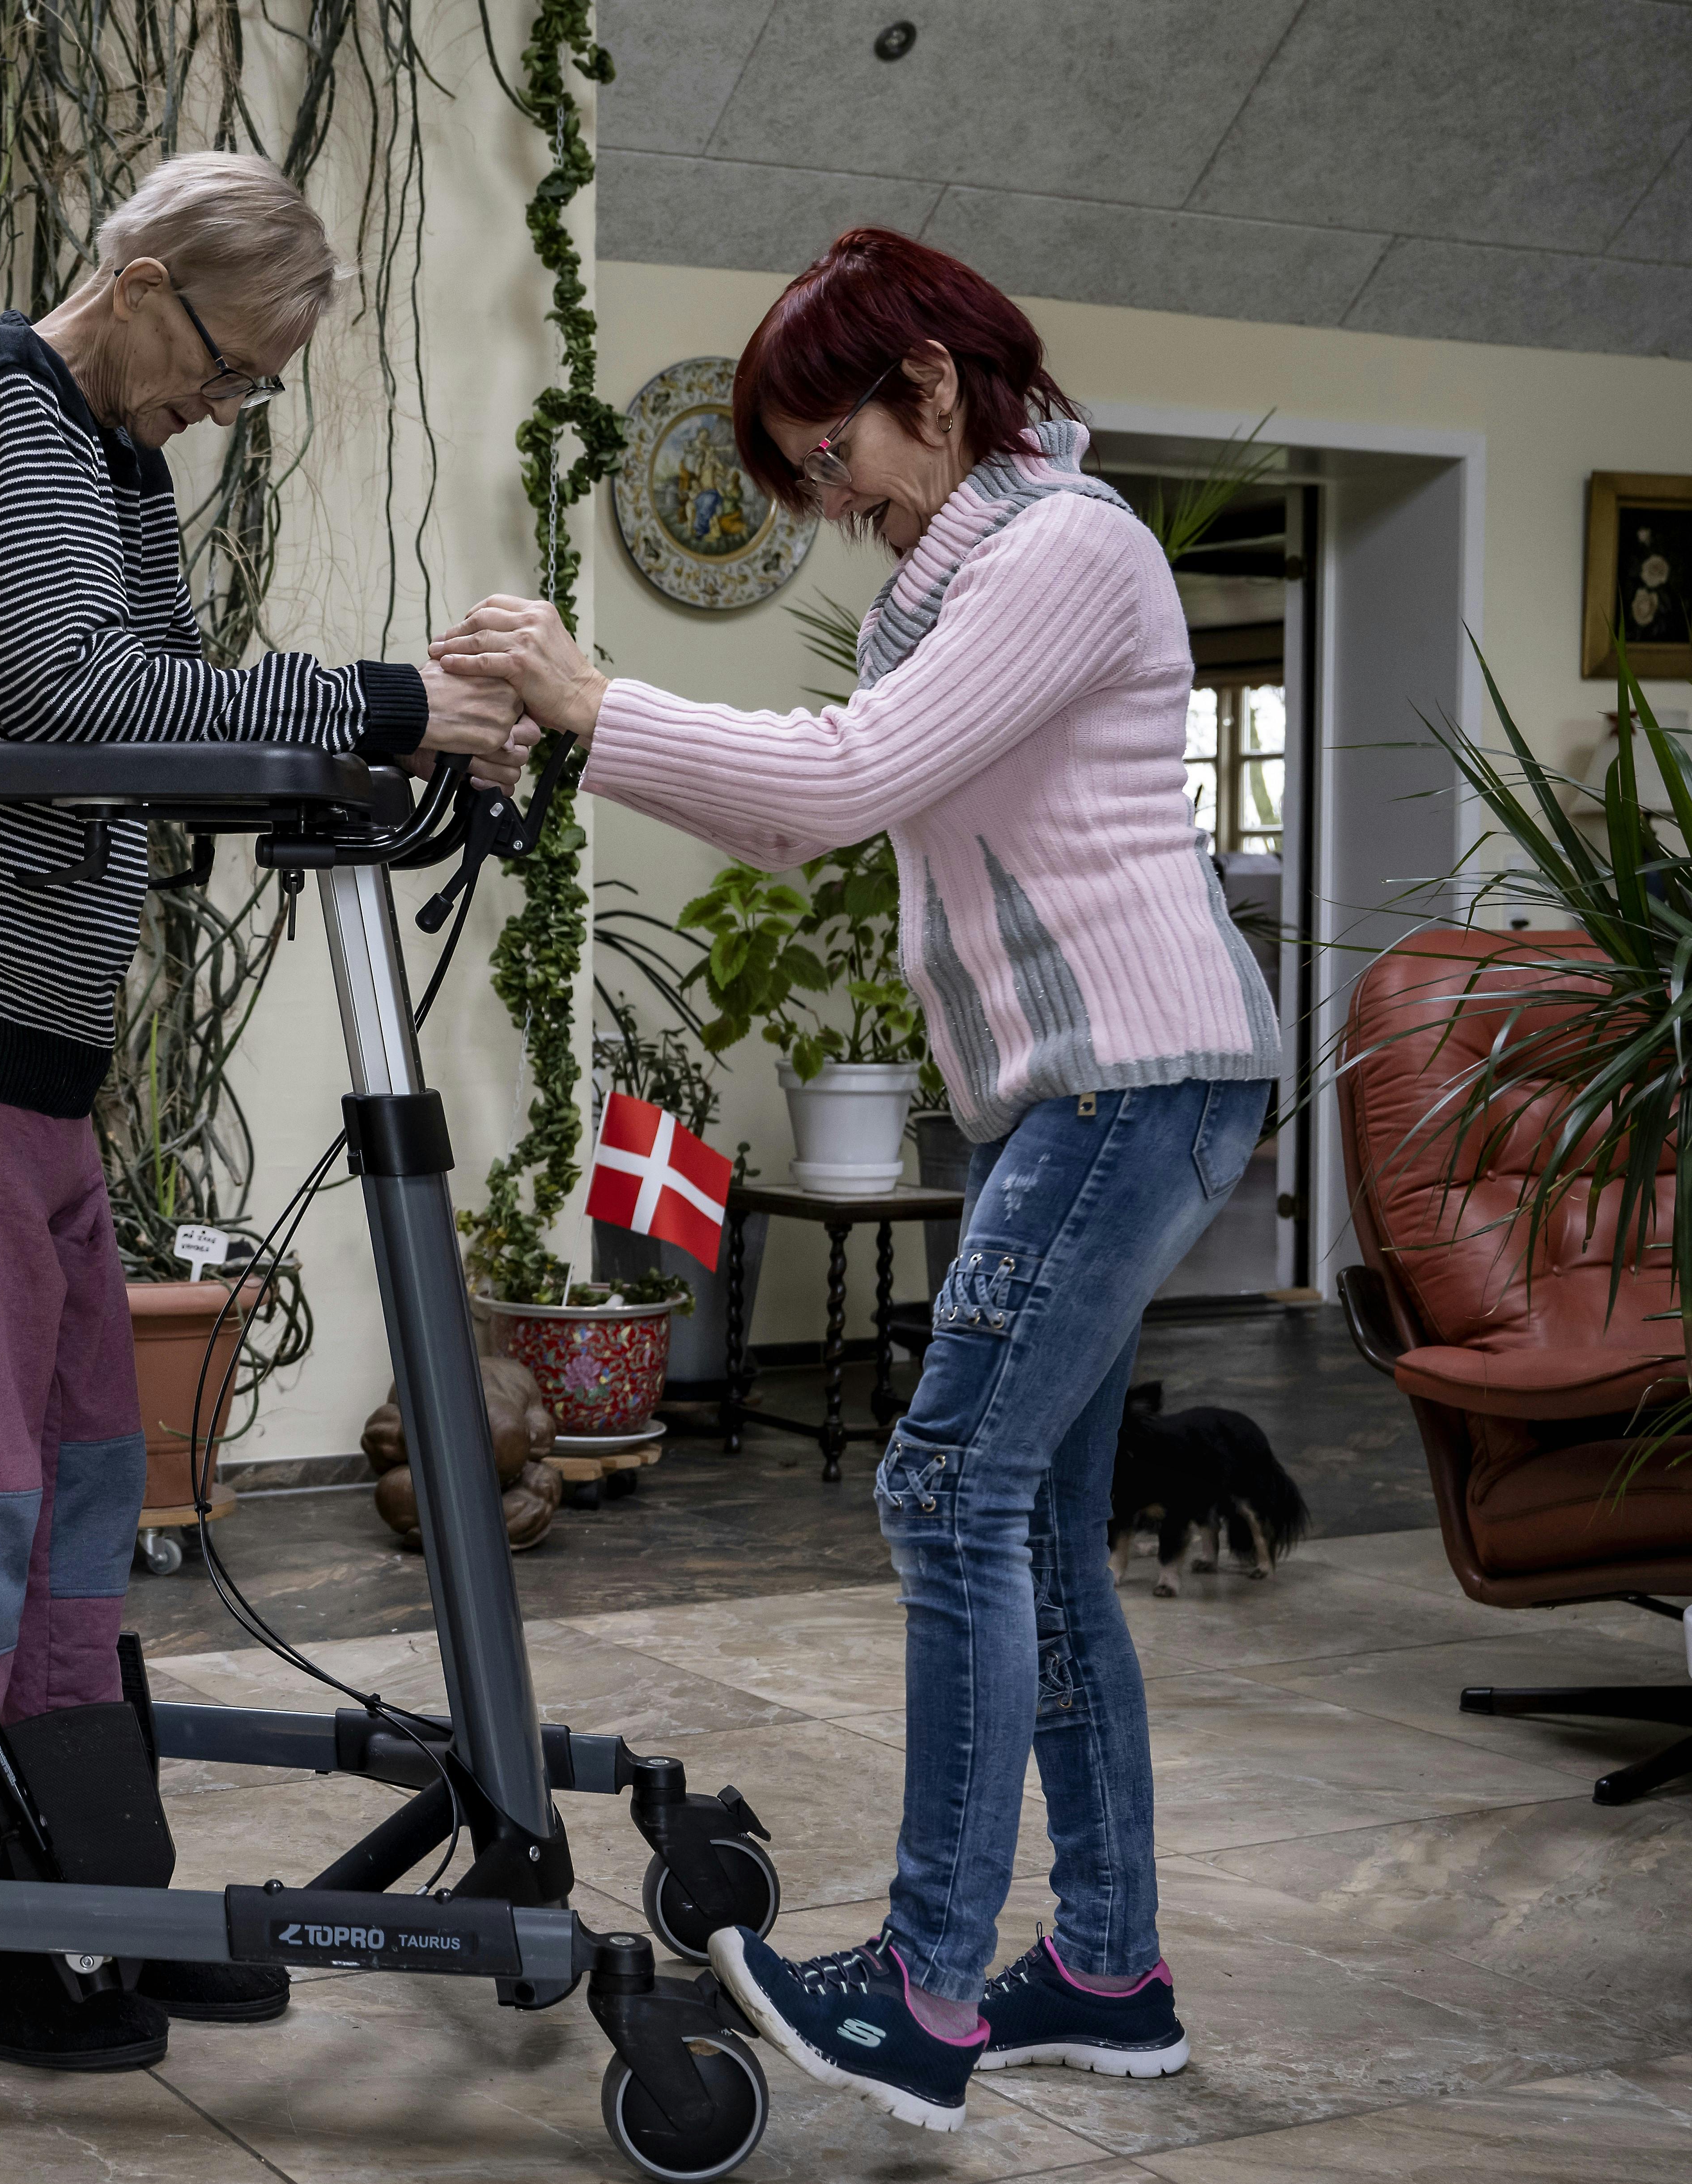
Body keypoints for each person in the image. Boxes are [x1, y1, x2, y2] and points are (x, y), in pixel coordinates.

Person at [430, 227, 1275, 2132]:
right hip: (1093, 1087)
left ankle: (922, 1991)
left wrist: (592, 693)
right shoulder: (971, 577)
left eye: (834, 455)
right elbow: (810, 797)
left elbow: (836, 779)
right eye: (805, 472)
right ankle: (1108, 1971)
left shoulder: (1064, 550)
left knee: (948, 1489)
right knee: (1034, 1525)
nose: (829, 503)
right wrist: (580, 726)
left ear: (937, 387)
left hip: (1130, 1078)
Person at [0, 150, 523, 2074]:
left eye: (255, 384)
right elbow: (75, 694)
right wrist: (377, 705)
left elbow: (164, 701)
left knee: (89, 1468)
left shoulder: (111, 456)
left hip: (29, 1040)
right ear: (137, 280)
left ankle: (85, 1877)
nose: (226, 402)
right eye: (229, 363)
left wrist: (375, 737)